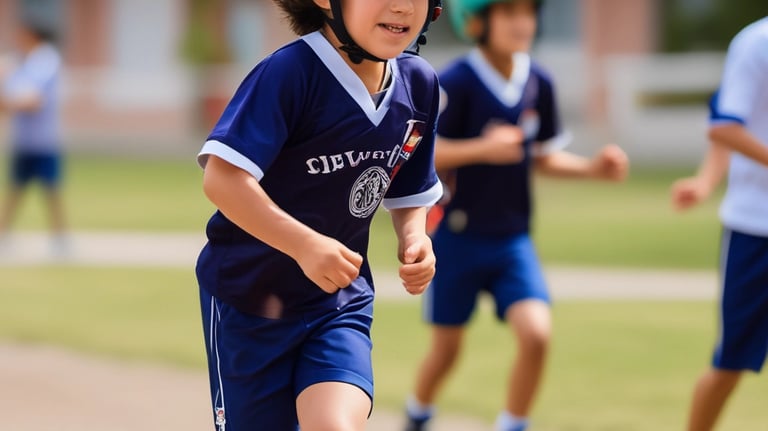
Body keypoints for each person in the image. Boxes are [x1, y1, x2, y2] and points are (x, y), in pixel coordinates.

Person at [195, 0, 444, 429]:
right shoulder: (290, 74)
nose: (402, 6)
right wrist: (304, 245)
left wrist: (414, 236)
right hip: (250, 301)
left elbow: (410, 189)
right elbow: (223, 180)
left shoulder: (419, 85)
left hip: (338, 302)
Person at [403, 1, 629, 430]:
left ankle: (512, 424)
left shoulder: (538, 81)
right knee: (446, 351)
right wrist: (482, 149)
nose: (522, 22)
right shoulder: (455, 82)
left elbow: (541, 157)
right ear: (476, 22)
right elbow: (425, 154)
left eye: (528, 12)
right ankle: (417, 412)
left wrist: (593, 169)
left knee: (537, 335)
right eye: (507, 12)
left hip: (512, 240)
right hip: (457, 238)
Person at [671, 16, 768, 431]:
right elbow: (726, 124)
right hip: (756, 227)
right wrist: (707, 180)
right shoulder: (756, 43)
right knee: (730, 363)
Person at [0, 18, 66, 252]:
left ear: (31, 34)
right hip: (24, 139)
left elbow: (33, 100)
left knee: (51, 188)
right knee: (15, 188)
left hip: (43, 139)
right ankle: (4, 233)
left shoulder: (45, 60)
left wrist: (8, 102)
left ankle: (59, 238)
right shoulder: (22, 62)